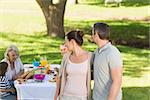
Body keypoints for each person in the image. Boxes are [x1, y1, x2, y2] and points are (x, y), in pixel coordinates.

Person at [54, 30, 92, 100]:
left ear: (72, 41)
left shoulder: (90, 57)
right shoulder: (66, 57)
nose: (65, 45)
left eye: (66, 42)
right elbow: (60, 78)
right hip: (65, 96)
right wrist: (56, 97)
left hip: (82, 97)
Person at [91, 22, 123, 100]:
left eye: (92, 33)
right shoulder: (97, 51)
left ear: (97, 34)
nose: (91, 36)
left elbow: (117, 81)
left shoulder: (112, 53)